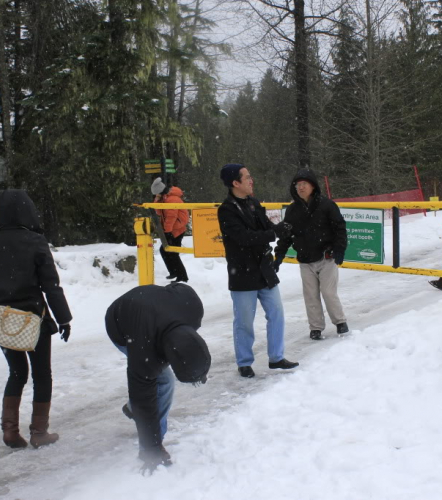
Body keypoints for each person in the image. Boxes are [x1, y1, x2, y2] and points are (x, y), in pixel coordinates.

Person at [0, 190, 72, 449]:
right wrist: (63, 319)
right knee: (42, 375)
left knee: (17, 373)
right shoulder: (35, 241)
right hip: (34, 320)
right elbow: (51, 286)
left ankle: (9, 431)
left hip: (4, 320)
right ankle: (39, 432)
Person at [105, 283, 211, 473]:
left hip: (148, 305)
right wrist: (151, 449)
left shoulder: (193, 310)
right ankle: (150, 446)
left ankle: (133, 411)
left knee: (161, 372)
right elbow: (142, 398)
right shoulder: (143, 353)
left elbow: (178, 286)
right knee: (163, 382)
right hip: (120, 322)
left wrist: (198, 368)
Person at [217, 163, 299, 378]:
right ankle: (244, 362)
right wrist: (272, 235)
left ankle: (276, 357)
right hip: (242, 272)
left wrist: (280, 229)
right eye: (247, 177)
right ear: (235, 183)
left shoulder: (254, 203)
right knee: (244, 321)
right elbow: (243, 238)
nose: (251, 180)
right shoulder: (226, 210)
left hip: (264, 269)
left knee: (277, 313)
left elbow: (264, 229)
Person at [274, 169, 349, 340]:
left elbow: (340, 228)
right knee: (310, 295)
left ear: (313, 186)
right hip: (305, 259)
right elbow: (286, 235)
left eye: (304, 184)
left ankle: (340, 322)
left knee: (328, 292)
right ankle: (316, 327)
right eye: (298, 185)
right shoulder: (292, 211)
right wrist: (278, 256)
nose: (300, 188)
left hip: (326, 257)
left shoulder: (327, 205)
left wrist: (339, 249)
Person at [151, 177, 189, 283]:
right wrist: (157, 200)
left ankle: (182, 276)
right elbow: (158, 212)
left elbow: (171, 217)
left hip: (176, 229)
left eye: (156, 194)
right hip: (171, 229)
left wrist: (167, 232)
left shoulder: (172, 199)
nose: (156, 196)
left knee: (172, 252)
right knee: (166, 251)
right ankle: (174, 272)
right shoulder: (165, 198)